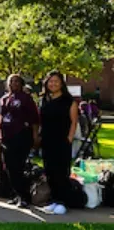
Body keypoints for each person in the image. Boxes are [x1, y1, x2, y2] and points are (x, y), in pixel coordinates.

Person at [39, 71, 78, 215]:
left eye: (56, 81)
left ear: (61, 83)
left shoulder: (69, 101)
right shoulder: (44, 100)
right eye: (50, 81)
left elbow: (74, 122)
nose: (53, 84)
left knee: (61, 172)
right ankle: (54, 200)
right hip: (47, 140)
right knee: (50, 171)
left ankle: (62, 202)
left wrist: (69, 138)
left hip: (62, 141)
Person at [0, 73, 39, 209]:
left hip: (21, 136)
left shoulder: (26, 98)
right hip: (6, 137)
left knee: (19, 167)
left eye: (17, 81)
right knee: (9, 167)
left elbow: (34, 119)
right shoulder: (4, 98)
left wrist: (35, 136)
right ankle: (16, 194)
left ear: (21, 84)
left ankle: (24, 196)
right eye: (11, 81)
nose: (14, 84)